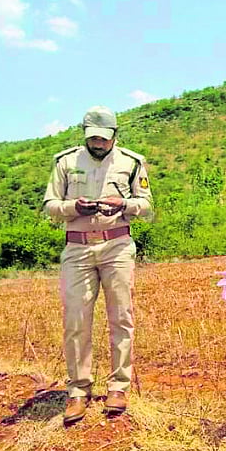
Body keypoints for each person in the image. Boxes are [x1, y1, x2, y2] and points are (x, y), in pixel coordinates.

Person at [43, 106, 153, 426]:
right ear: (84, 133)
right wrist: (71, 207)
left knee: (122, 316)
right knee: (76, 320)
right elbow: (50, 205)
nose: (98, 144)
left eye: (104, 139)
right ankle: (78, 390)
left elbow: (146, 207)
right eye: (93, 138)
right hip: (77, 248)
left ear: (115, 135)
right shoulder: (65, 162)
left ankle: (119, 387)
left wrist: (125, 204)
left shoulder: (132, 163)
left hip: (117, 245)